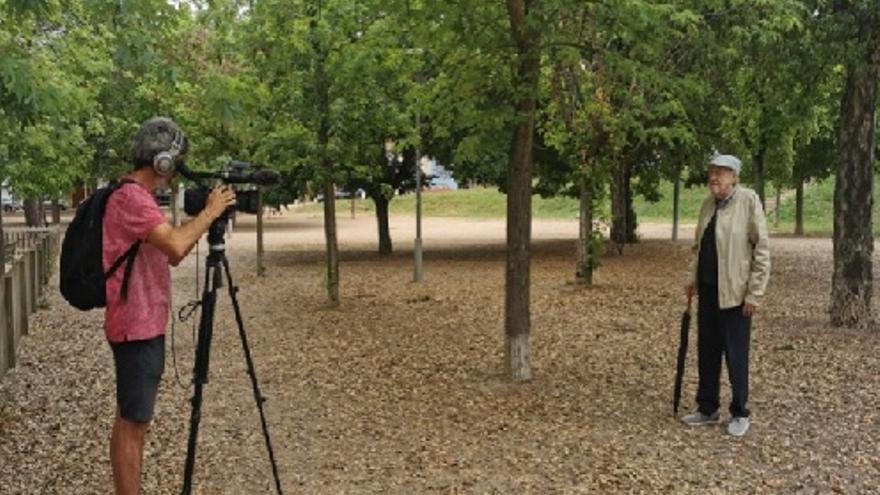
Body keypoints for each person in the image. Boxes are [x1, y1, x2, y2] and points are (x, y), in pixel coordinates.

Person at [104, 117, 236, 494]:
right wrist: (210, 212)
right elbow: (176, 248)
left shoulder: (132, 196)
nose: (176, 171)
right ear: (161, 160)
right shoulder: (131, 198)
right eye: (175, 161)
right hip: (136, 324)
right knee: (134, 424)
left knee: (129, 420)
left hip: (137, 322)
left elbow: (169, 251)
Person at [682, 154, 770, 437]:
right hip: (709, 292)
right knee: (707, 353)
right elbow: (699, 246)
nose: (714, 177)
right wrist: (692, 279)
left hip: (735, 295)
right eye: (712, 172)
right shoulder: (708, 205)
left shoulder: (748, 201)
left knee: (736, 355)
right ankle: (707, 408)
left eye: (721, 172)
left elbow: (762, 251)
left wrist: (754, 294)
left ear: (735, 177)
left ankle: (740, 412)